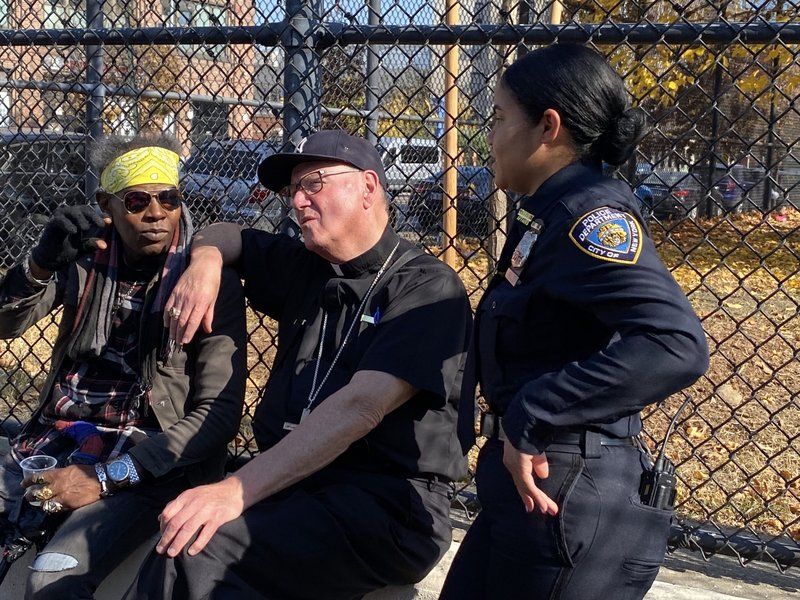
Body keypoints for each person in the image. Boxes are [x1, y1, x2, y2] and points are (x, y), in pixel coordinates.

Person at [125, 129, 473, 600]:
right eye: (292, 191)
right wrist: (204, 261)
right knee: (183, 536)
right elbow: (228, 234)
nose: (297, 202)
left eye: (314, 184)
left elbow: (362, 407)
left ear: (368, 187)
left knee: (198, 547)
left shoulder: (427, 287)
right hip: (300, 486)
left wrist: (235, 490)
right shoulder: (307, 266)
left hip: (387, 504)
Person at [439, 44, 710, 600]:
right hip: (532, 487)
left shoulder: (590, 218)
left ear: (548, 127)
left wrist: (533, 414)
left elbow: (674, 343)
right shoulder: (548, 214)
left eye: (497, 119)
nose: (488, 137)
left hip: (568, 494)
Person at [0, 133, 247, 598]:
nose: (156, 213)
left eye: (168, 199)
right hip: (54, 438)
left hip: (150, 462)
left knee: (54, 576)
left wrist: (106, 478)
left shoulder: (207, 282)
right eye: (136, 201)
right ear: (107, 204)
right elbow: (7, 325)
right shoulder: (86, 259)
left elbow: (218, 416)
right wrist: (38, 263)